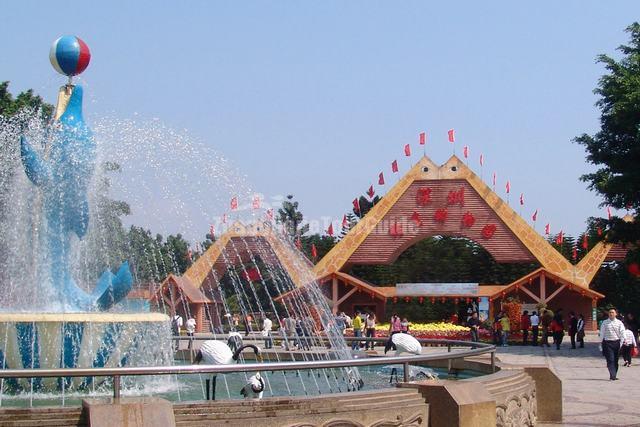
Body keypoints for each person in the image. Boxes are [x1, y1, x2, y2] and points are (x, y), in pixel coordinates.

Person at [599, 307, 626, 380]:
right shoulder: (605, 322)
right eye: (610, 312)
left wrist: (623, 340)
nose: (611, 314)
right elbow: (602, 333)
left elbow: (622, 332)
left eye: (612, 312)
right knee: (610, 359)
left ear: (616, 314)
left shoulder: (619, 323)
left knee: (615, 360)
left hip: (616, 342)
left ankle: (613, 374)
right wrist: (600, 342)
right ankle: (612, 375)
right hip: (607, 343)